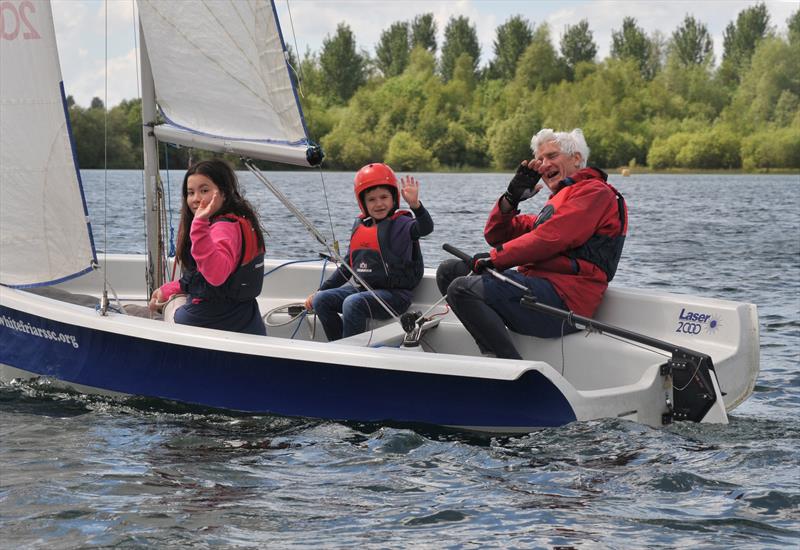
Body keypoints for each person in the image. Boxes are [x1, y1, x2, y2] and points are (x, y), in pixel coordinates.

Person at [436, 128, 628, 359]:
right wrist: (510, 198)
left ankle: (506, 368)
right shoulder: (558, 202)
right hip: (537, 289)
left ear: (576, 158)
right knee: (449, 271)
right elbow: (496, 235)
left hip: (565, 301)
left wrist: (494, 259)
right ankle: (493, 348)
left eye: (552, 156)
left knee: (462, 289)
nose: (544, 165)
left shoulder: (595, 193)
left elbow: (551, 237)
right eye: (539, 159)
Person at [304, 163, 434, 341]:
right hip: (364, 292)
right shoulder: (360, 226)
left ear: (393, 198)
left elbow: (426, 228)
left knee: (352, 303)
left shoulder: (403, 224)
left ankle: (352, 353)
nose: (379, 203)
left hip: (395, 297)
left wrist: (416, 206)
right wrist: (319, 291)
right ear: (363, 203)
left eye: (384, 197)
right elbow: (346, 267)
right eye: (372, 199)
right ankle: (338, 347)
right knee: (321, 300)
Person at [148, 159, 267, 336]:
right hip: (245, 320)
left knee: (149, 311)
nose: (196, 199)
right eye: (190, 193)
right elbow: (203, 278)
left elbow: (216, 276)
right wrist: (169, 289)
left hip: (210, 321)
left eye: (204, 190)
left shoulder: (222, 228)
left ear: (224, 193)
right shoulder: (237, 221)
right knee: (170, 298)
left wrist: (199, 225)